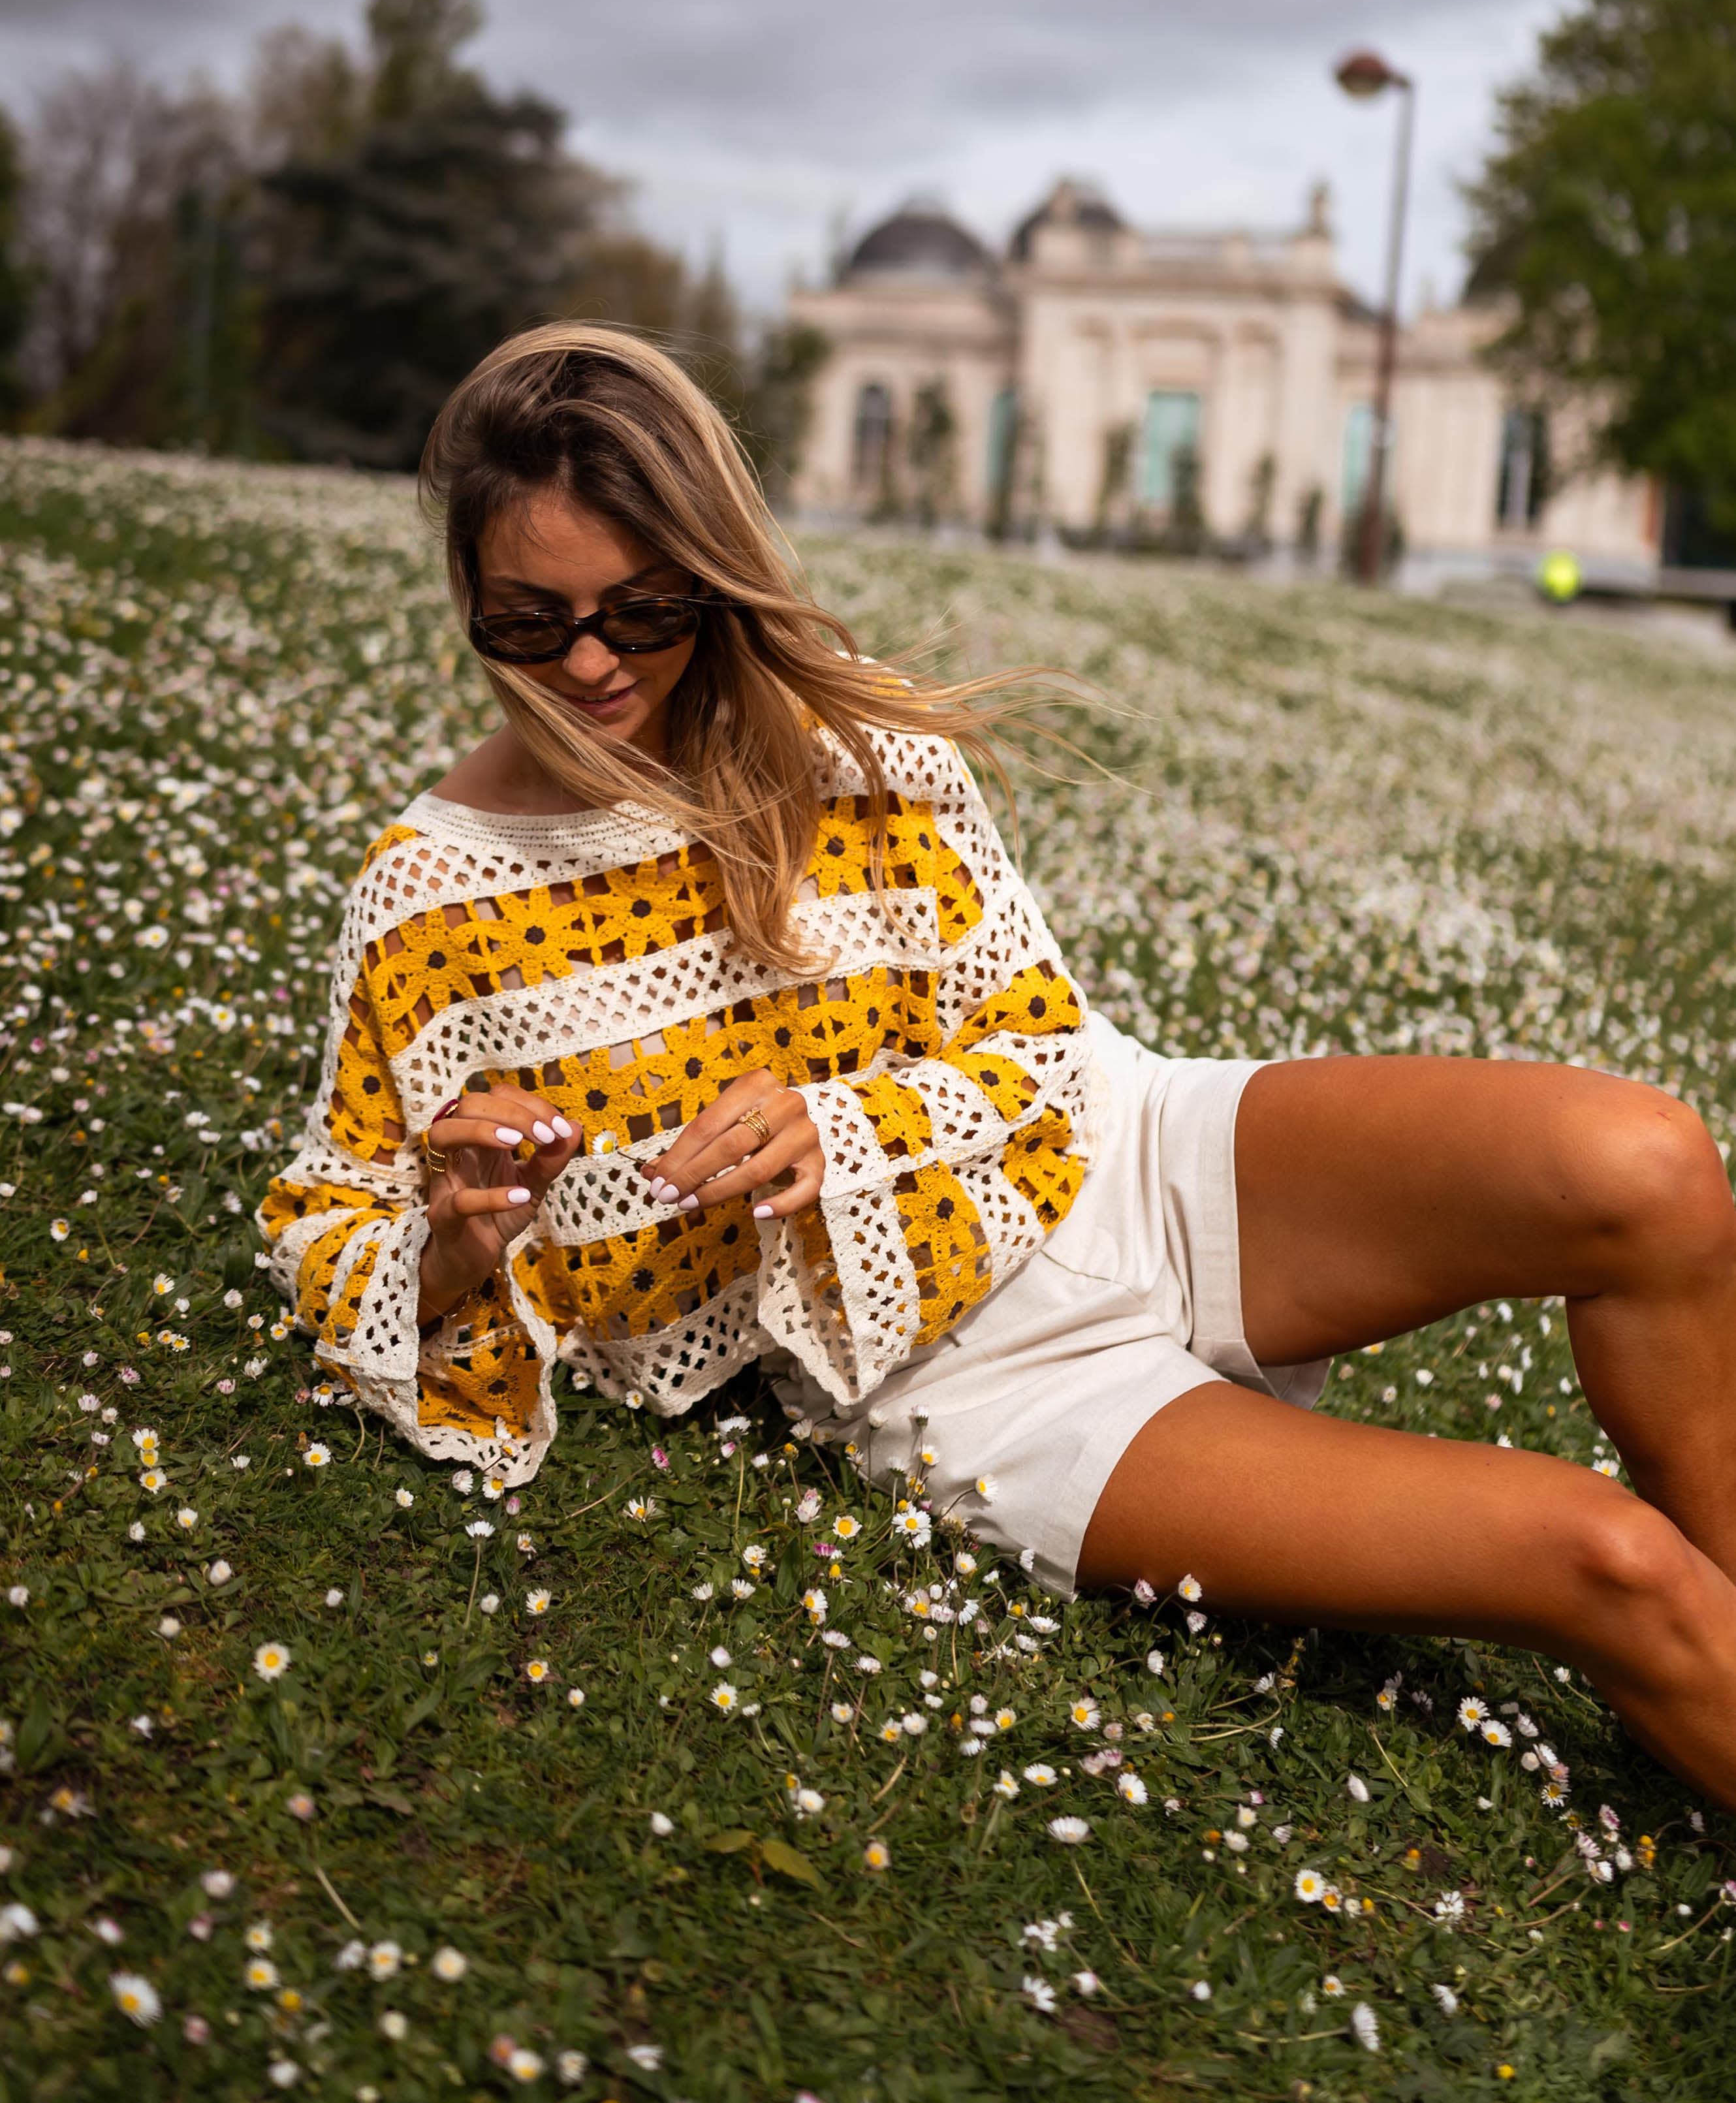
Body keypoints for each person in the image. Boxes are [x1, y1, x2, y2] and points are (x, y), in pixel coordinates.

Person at [262, 321, 1736, 1807]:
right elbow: (329, 1223)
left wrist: (835, 1121)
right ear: (468, 602)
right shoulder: (433, 898)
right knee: (1601, 1561)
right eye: (531, 620)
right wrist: (454, 1247)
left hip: (1117, 1155)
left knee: (1648, 1167)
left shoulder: (848, 743)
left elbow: (1033, 1034)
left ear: (710, 579)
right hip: (967, 1373)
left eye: (641, 611)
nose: (589, 663)